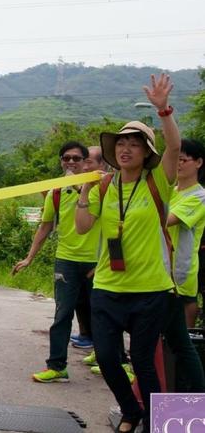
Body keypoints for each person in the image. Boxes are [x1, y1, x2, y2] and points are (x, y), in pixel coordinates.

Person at [75, 73, 179, 433]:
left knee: (144, 363)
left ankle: (154, 422)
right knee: (105, 357)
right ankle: (130, 410)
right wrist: (85, 195)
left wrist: (163, 111)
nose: (126, 148)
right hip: (107, 287)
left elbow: (175, 149)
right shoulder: (105, 185)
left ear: (146, 152)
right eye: (121, 143)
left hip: (150, 290)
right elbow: (84, 227)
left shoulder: (158, 182)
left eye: (135, 144)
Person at [13, 141, 101, 383]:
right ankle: (57, 365)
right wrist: (29, 258)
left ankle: (113, 360)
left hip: (97, 262)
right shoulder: (57, 192)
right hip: (66, 261)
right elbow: (45, 226)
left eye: (76, 158)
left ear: (85, 162)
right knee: (62, 315)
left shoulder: (101, 189)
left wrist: (104, 260)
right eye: (66, 158)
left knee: (104, 315)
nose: (71, 162)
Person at [70, 146, 106, 350]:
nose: (82, 167)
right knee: (82, 303)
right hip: (75, 258)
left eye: (88, 162)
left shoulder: (108, 190)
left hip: (100, 260)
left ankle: (118, 359)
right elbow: (82, 227)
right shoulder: (85, 189)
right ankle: (93, 342)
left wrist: (102, 263)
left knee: (102, 311)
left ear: (102, 165)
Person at [167, 139, 205, 328]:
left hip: (182, 266)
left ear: (198, 162)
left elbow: (165, 220)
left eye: (183, 160)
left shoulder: (199, 196)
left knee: (184, 306)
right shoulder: (171, 191)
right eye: (175, 160)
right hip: (161, 264)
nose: (178, 164)